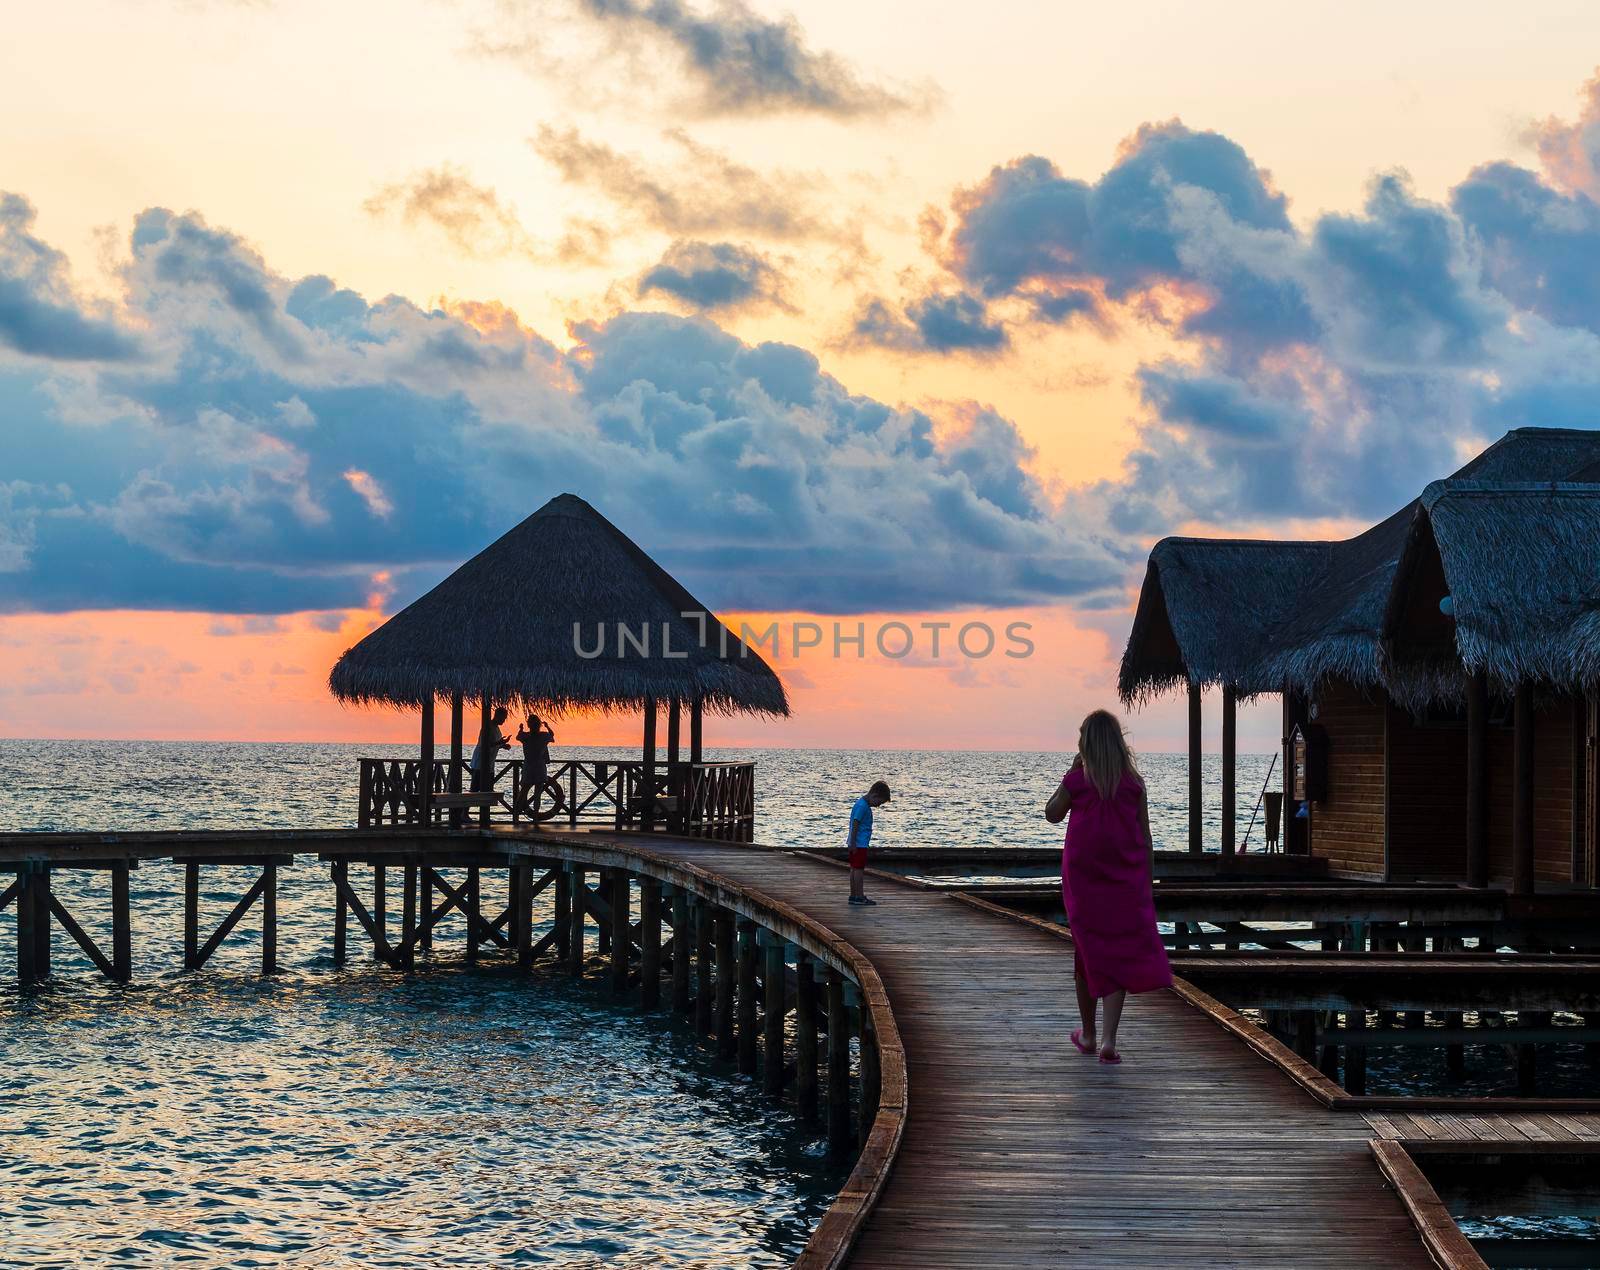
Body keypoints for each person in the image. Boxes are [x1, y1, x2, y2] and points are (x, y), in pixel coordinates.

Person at [1044, 710, 1171, 1064]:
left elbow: (1051, 813)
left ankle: (1088, 1034)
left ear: (1087, 743)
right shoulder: (1133, 784)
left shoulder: (1078, 781)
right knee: (1117, 952)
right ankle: (1108, 1040)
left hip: (1084, 882)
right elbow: (1145, 838)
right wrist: (1147, 882)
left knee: (1087, 952)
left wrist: (1070, 774)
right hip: (1126, 878)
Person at [846, 780, 891, 906]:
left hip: (855, 843)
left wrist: (851, 842)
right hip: (859, 844)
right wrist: (854, 842)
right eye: (879, 802)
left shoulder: (860, 804)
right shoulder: (863, 806)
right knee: (858, 870)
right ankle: (859, 896)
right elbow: (855, 823)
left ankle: (854, 896)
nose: (878, 806)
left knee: (854, 869)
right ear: (874, 795)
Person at [515, 713, 556, 814]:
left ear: (528, 725)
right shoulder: (544, 736)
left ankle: (515, 814)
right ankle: (536, 818)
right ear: (539, 725)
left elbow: (517, 736)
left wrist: (521, 728)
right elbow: (552, 735)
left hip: (528, 766)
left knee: (523, 792)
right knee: (537, 794)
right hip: (539, 767)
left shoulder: (525, 736)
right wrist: (547, 726)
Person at [471, 705, 510, 792]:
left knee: (488, 790)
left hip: (489, 764)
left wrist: (503, 745)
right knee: (474, 790)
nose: (504, 721)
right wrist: (500, 742)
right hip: (480, 763)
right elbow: (484, 744)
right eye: (503, 718)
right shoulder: (488, 727)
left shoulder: (496, 728)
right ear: (498, 716)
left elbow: (494, 744)